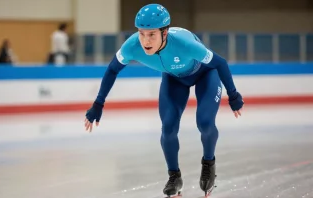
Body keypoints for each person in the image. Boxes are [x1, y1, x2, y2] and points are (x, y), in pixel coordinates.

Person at [84, 3, 244, 198]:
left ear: (165, 33)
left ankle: (208, 164)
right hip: (173, 79)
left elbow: (220, 63)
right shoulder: (132, 46)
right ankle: (174, 176)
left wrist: (233, 95)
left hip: (205, 74)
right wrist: (98, 103)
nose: (145, 41)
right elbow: (112, 69)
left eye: (151, 34)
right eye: (142, 33)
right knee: (168, 128)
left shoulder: (184, 44)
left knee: (204, 122)